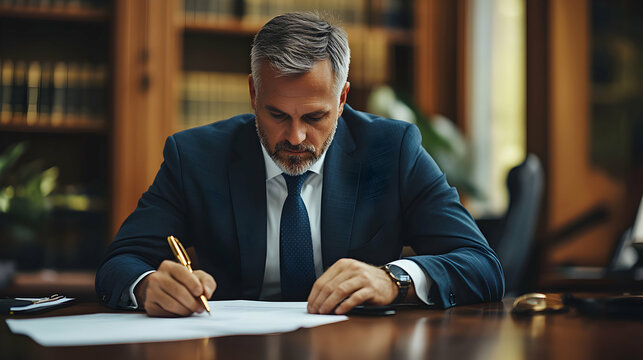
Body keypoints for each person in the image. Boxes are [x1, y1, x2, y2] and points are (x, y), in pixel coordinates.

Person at [95, 12, 504, 317]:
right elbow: (119, 263)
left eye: (314, 117)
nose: (294, 137)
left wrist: (392, 280)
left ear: (342, 100)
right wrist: (147, 285)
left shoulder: (393, 149)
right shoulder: (195, 157)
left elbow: (481, 265)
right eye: (277, 115)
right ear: (254, 93)